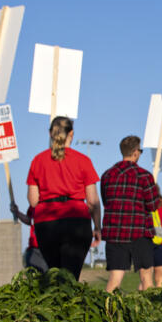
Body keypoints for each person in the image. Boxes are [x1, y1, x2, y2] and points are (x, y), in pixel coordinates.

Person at [25, 116, 101, 280]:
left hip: (46, 222)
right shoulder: (83, 161)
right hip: (76, 221)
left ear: (50, 134)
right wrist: (97, 227)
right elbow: (93, 201)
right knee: (71, 277)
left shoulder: (38, 161)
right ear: (71, 134)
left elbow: (33, 200)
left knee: (54, 274)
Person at [99, 136, 161, 292]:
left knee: (115, 278)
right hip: (140, 232)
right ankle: (148, 313)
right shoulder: (145, 176)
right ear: (135, 152)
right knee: (146, 277)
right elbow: (153, 205)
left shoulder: (107, 175)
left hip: (115, 233)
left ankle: (107, 312)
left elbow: (106, 201)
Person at [8, 204, 49, 272]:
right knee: (33, 278)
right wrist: (17, 213)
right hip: (35, 249)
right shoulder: (34, 203)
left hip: (51, 248)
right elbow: (29, 220)